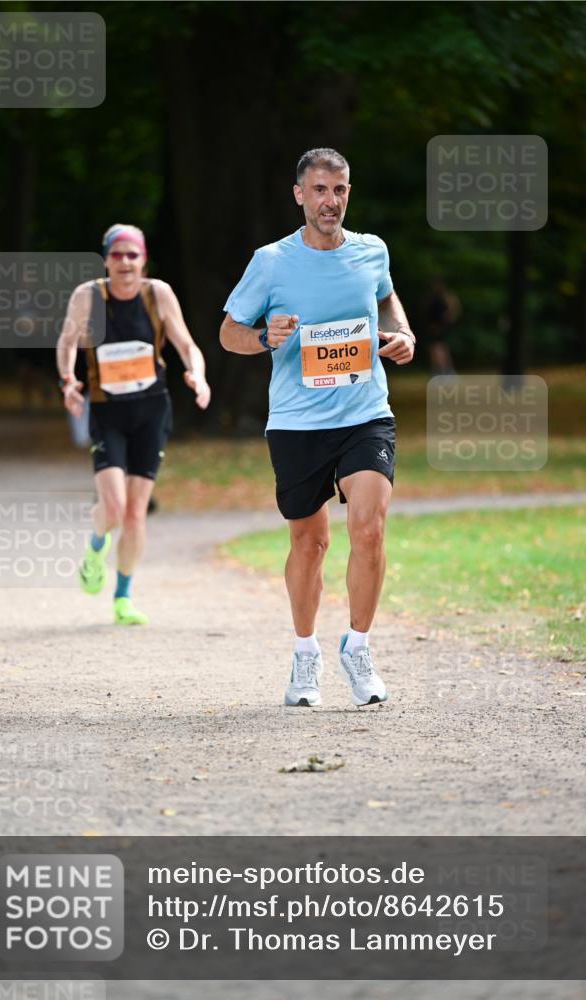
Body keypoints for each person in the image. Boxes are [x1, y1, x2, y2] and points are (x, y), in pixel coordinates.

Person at [220, 148, 415, 707]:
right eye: (321, 190)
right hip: (297, 422)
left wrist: (403, 334)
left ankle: (358, 646)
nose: (331, 201)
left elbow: (388, 302)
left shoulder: (371, 251)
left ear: (348, 193)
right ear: (299, 194)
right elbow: (229, 333)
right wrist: (264, 337)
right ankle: (306, 654)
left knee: (369, 528)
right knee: (310, 542)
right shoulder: (272, 261)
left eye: (340, 190)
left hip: (366, 413)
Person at [57, 224, 211, 625]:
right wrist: (68, 381)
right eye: (117, 254)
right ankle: (95, 547)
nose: (125, 262)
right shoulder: (87, 296)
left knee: (135, 514)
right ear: (106, 258)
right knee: (113, 507)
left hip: (151, 412)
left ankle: (122, 598)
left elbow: (186, 344)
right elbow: (68, 341)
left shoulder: (157, 294)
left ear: (143, 259)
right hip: (108, 411)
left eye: (132, 255)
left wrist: (197, 374)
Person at [424, 276, 460, 375]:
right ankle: (438, 370)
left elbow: (453, 310)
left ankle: (446, 370)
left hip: (441, 327)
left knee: (440, 348)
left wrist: (444, 323)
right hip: (432, 327)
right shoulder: (432, 297)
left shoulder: (446, 296)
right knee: (434, 348)